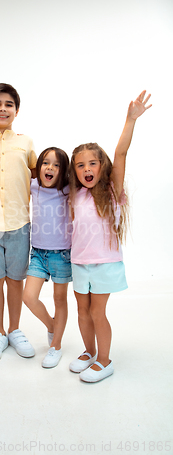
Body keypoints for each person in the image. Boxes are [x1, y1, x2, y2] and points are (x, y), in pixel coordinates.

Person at [68, 90, 152, 382]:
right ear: (75, 171)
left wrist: (130, 120)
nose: (87, 168)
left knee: (96, 312)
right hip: (79, 262)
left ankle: (105, 360)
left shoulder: (112, 191)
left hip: (104, 263)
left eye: (92, 163)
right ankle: (90, 351)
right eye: (80, 165)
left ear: (101, 166)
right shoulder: (75, 195)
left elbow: (121, 153)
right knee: (82, 311)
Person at [0, 83, 37, 364]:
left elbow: (41, 176)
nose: (3, 109)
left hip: (18, 223)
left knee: (15, 281)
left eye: (9, 104)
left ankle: (14, 329)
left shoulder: (25, 142)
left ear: (16, 110)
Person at [23, 147, 72, 368]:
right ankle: (52, 326)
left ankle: (57, 346)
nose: (50, 168)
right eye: (45, 163)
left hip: (61, 254)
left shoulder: (68, 190)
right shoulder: (34, 186)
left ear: (63, 171)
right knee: (29, 297)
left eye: (56, 164)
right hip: (38, 253)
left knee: (59, 300)